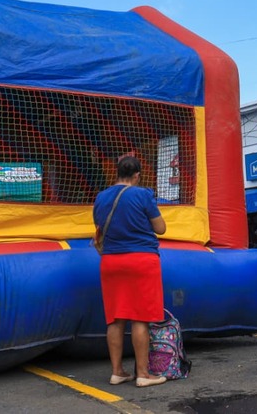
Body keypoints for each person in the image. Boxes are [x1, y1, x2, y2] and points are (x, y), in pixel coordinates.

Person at [93, 155, 168, 388]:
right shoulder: (143, 194)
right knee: (140, 318)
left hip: (111, 262)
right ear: (137, 175)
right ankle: (144, 374)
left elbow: (98, 230)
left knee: (115, 318)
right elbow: (161, 228)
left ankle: (117, 372)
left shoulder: (101, 197)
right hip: (141, 260)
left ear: (117, 172)